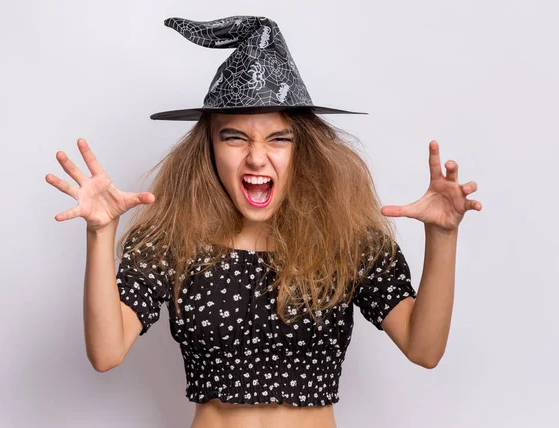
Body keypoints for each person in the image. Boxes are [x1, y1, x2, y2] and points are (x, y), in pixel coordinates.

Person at [46, 16, 482, 428]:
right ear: (210, 148)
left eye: (278, 139)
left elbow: (423, 349)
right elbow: (106, 352)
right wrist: (100, 233)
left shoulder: (348, 240)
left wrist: (442, 235)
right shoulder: (171, 240)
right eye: (234, 137)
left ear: (302, 149)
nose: (257, 157)